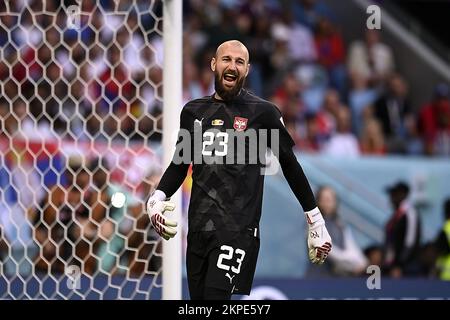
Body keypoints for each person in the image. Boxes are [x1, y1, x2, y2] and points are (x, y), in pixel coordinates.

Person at [145, 40, 332, 300]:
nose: (232, 66)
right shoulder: (193, 112)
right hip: (199, 229)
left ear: (247, 69)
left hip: (237, 231)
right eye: (226, 59)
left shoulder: (263, 113)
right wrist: (157, 197)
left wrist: (315, 219)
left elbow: (290, 165)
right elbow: (180, 163)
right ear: (213, 64)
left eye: (239, 62)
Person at [306, 186, 367, 277]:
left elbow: (351, 246)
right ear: (318, 202)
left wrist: (361, 262)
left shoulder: (340, 224)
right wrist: (353, 265)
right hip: (318, 278)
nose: (328, 203)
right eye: (325, 199)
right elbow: (329, 251)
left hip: (336, 278)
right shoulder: (313, 223)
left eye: (330, 199)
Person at [382, 181, 421, 277]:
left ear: (403, 195)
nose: (391, 197)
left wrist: (399, 264)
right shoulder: (396, 216)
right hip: (392, 265)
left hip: (405, 268)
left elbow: (410, 242)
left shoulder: (410, 213)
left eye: (394, 194)